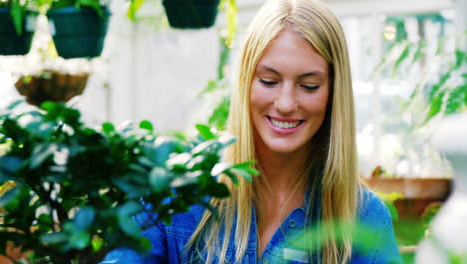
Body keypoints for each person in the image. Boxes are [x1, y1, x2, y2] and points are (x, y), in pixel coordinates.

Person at [101, 0, 402, 263]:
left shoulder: (365, 219)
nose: (285, 104)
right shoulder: (175, 195)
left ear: (333, 93)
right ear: (245, 81)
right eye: (269, 81)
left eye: (309, 85)